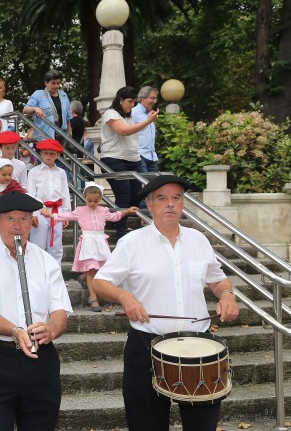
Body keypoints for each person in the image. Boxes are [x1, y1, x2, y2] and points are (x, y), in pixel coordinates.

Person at [92, 175, 239, 431]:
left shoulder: (199, 240)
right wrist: (125, 297)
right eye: (162, 198)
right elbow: (101, 282)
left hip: (198, 348)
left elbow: (218, 281)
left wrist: (227, 295)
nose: (170, 204)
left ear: (182, 203)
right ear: (150, 204)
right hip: (146, 346)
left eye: (176, 198)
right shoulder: (131, 242)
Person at [0, 191, 72, 430]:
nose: (17, 226)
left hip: (40, 360)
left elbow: (60, 311)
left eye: (24, 219)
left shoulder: (46, 261)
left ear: (32, 222)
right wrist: (15, 330)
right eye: (10, 219)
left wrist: (51, 330)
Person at [54, 182, 137, 312]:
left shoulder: (103, 210)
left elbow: (114, 217)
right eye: (89, 201)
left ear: (101, 199)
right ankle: (93, 298)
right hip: (88, 242)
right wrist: (49, 215)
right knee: (93, 269)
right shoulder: (80, 211)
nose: (92, 204)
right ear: (85, 198)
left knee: (99, 267)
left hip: (100, 242)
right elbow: (65, 216)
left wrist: (126, 211)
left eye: (96, 201)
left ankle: (83, 277)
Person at [100, 86, 158, 239]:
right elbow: (124, 131)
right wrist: (148, 121)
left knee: (137, 194)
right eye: (129, 101)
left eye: (134, 102)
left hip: (134, 159)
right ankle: (121, 231)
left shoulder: (129, 116)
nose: (132, 105)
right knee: (124, 194)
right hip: (114, 159)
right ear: (120, 100)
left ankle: (116, 220)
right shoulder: (111, 113)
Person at [27, 139, 71, 263]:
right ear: (41, 153)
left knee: (56, 244)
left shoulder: (61, 172)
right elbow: (31, 194)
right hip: (39, 209)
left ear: (58, 155)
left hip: (57, 210)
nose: (48, 156)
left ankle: (55, 275)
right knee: (37, 243)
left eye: (52, 154)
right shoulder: (34, 172)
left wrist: (66, 213)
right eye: (46, 153)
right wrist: (34, 213)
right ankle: (37, 274)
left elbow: (65, 193)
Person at [23, 70, 72, 143]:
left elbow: (68, 118)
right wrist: (35, 108)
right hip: (44, 138)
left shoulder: (64, 95)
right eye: (53, 83)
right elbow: (25, 110)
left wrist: (70, 133)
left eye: (58, 83)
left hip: (62, 137)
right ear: (46, 82)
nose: (56, 86)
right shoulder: (38, 94)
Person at [132, 86, 160, 173]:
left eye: (155, 99)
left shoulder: (150, 114)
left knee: (153, 186)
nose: (154, 101)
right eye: (152, 98)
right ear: (143, 98)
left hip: (152, 157)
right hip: (139, 156)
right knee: (143, 185)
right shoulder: (133, 112)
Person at [0, 77, 15, 145]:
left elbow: (12, 122)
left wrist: (5, 136)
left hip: (4, 139)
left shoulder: (8, 103)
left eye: (0, 87)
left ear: (3, 90)